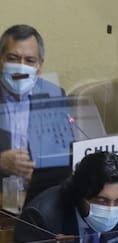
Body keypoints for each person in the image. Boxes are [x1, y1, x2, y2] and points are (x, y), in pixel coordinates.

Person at [0, 25, 64, 193]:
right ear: (1, 60)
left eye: (29, 61)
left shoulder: (54, 96)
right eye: (13, 58)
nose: (21, 67)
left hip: (37, 198)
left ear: (40, 66)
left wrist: (40, 176)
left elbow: (63, 158)